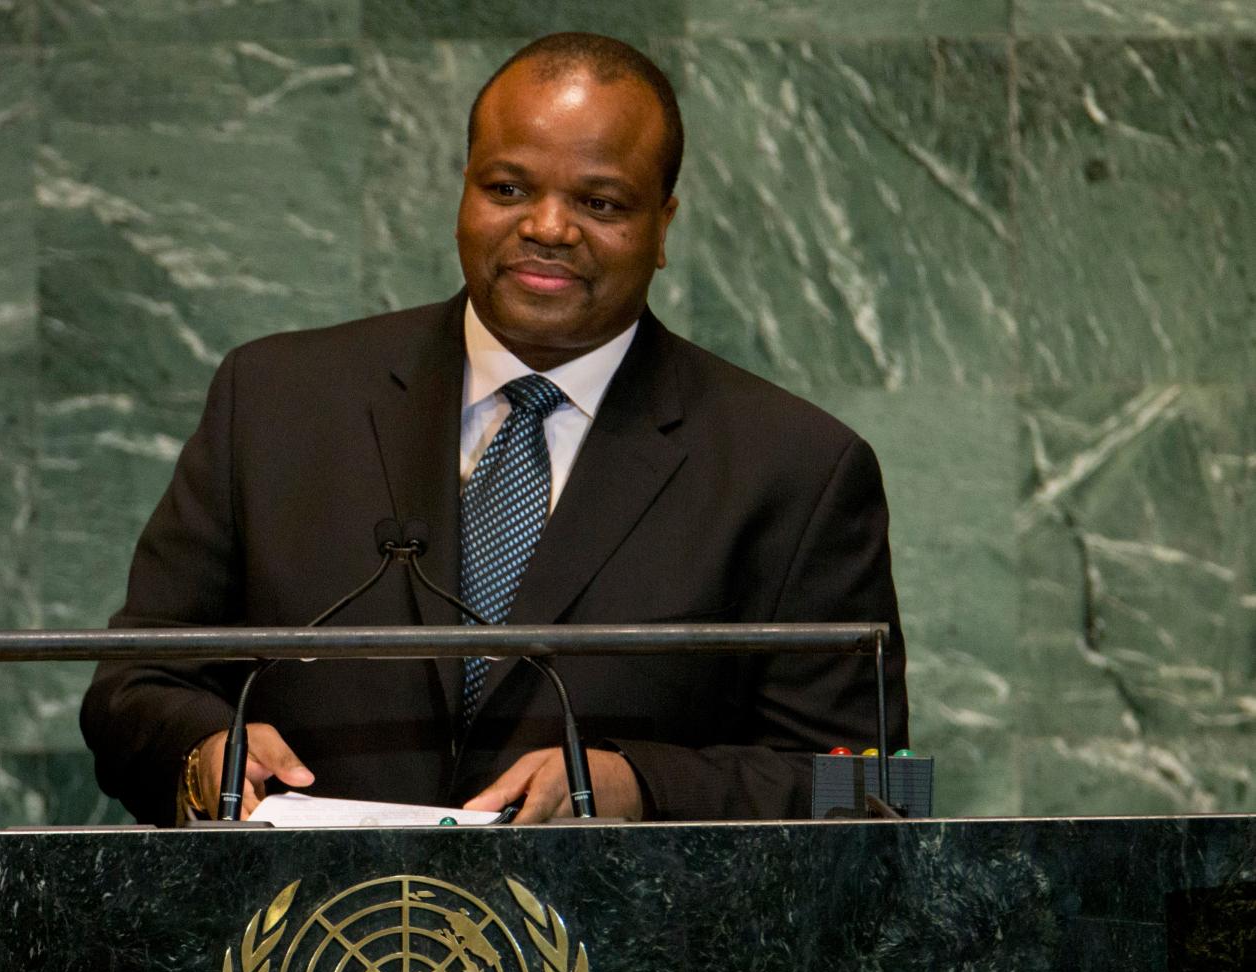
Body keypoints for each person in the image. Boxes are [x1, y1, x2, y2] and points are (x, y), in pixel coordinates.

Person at [80, 32, 907, 827]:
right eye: (507, 189)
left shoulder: (794, 469)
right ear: (463, 194)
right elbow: (133, 689)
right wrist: (203, 753)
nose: (547, 227)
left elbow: (869, 787)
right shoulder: (276, 401)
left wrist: (638, 787)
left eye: (600, 202)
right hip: (305, 921)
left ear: (663, 225)